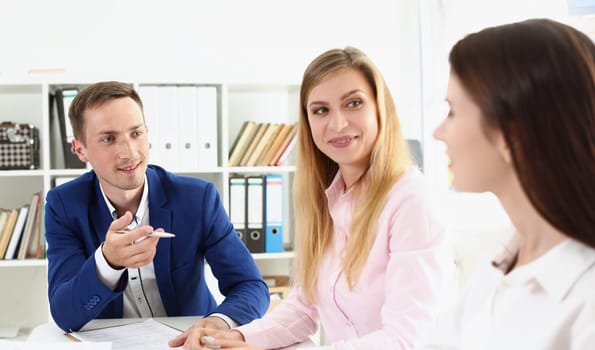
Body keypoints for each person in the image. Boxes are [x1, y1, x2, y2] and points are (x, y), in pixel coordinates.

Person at [170, 47, 454, 349]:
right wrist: (234, 338)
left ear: (380, 108)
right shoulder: (327, 200)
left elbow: (406, 339)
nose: (338, 124)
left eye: (353, 103)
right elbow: (303, 309)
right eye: (321, 110)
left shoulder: (410, 199)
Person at [421, 18, 595, 349]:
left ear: (511, 136)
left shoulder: (586, 303)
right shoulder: (504, 261)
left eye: (452, 111)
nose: (438, 132)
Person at [45, 81, 270, 335]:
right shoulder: (63, 205)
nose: (129, 152)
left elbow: (250, 285)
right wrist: (107, 262)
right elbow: (65, 315)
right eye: (108, 139)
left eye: (136, 133)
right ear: (80, 150)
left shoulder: (197, 198)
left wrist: (218, 322)